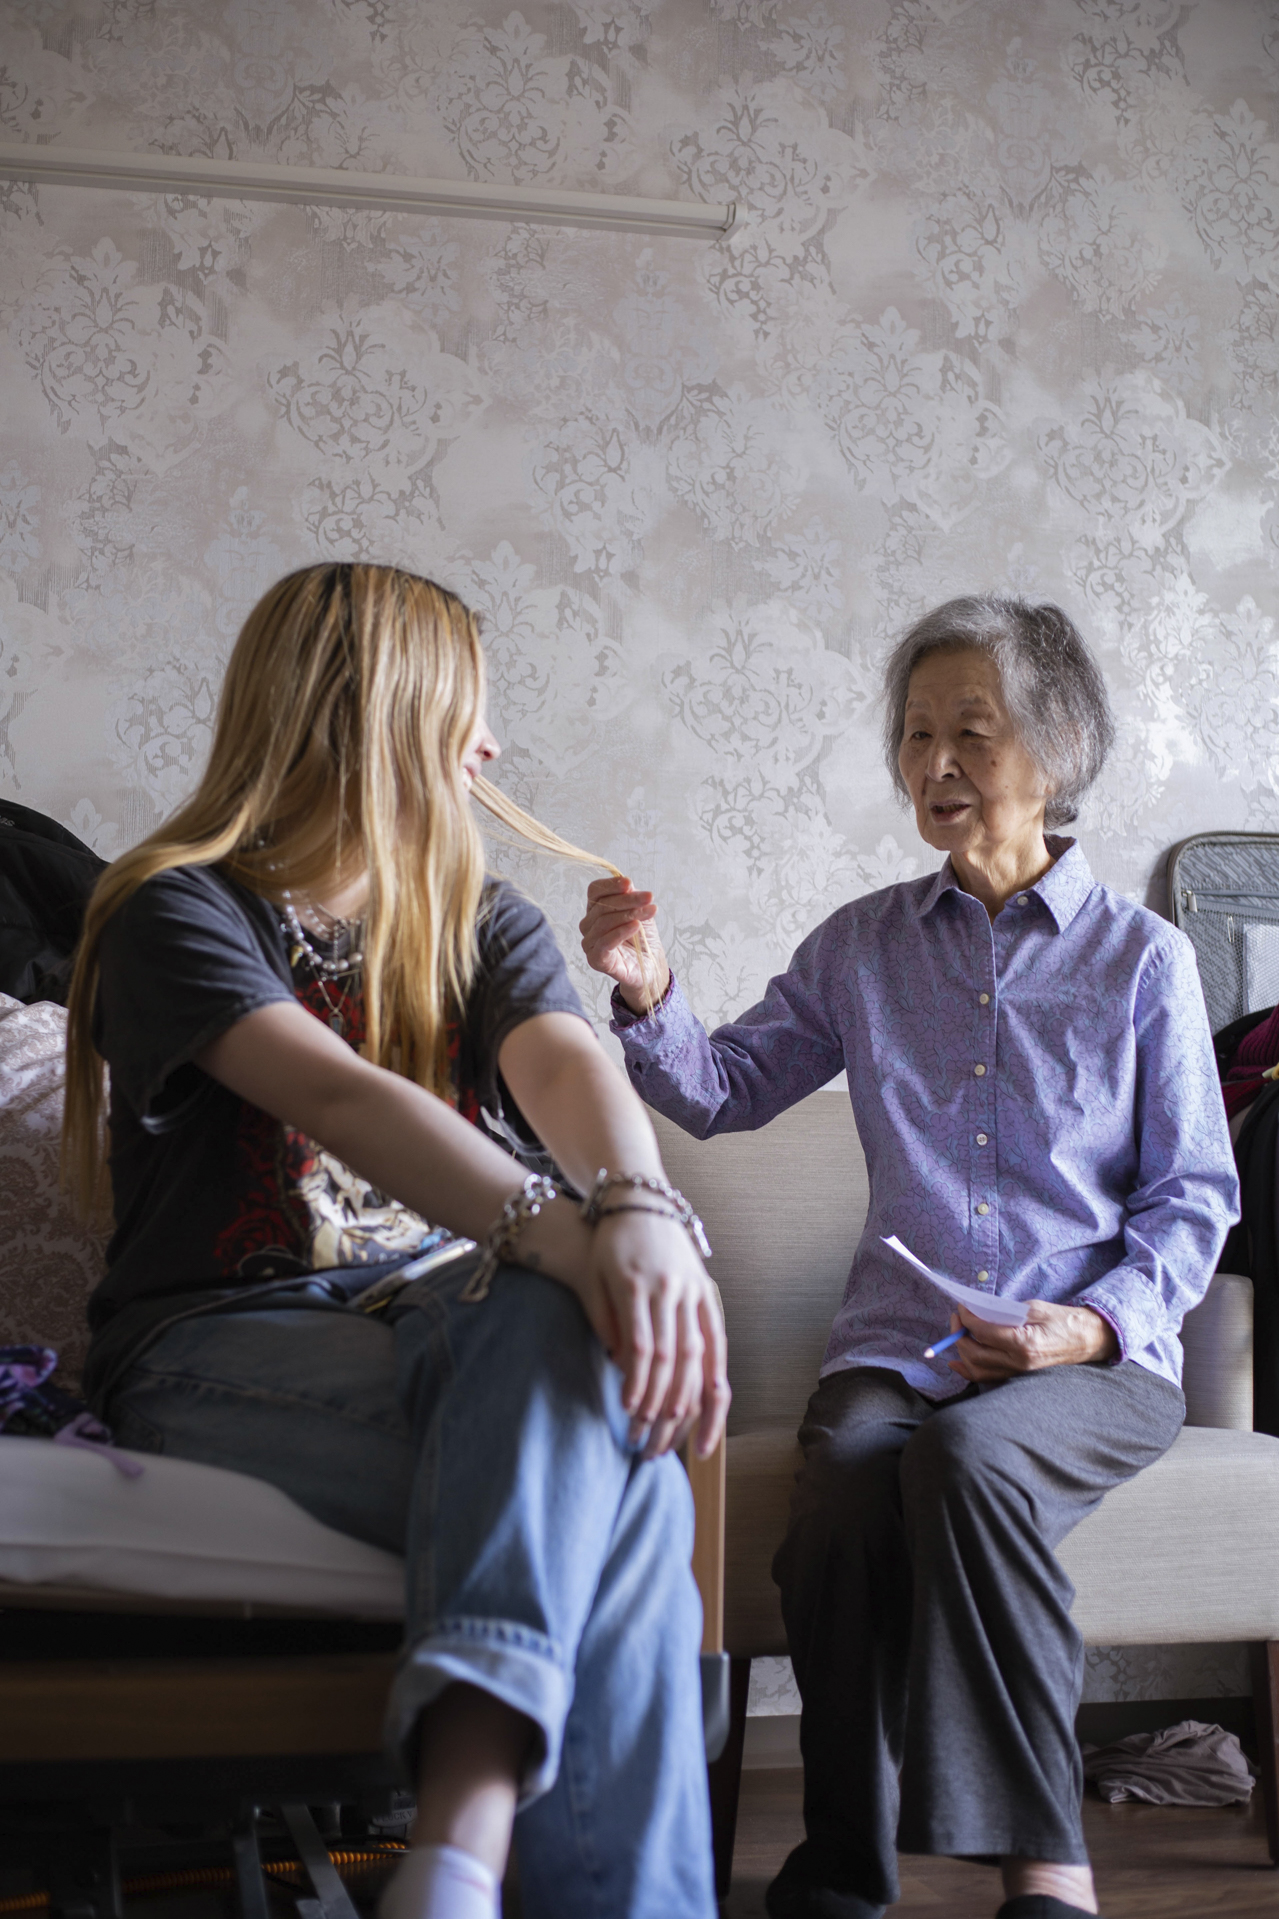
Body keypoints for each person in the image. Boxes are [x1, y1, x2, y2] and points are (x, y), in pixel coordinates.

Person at [63, 562, 729, 1919]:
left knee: (556, 1320)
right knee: (633, 1486)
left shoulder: (480, 916)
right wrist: (566, 1230)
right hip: (221, 1344)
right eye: (468, 709)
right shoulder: (172, 907)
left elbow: (566, 1067)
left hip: (455, 1322)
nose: (491, 747)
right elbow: (338, 1097)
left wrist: (640, 1211)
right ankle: (472, 1848)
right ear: (379, 715)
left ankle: (454, 1860)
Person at [580, 595, 1239, 1919]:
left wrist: (1084, 1326)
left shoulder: (1145, 961)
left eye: (971, 732)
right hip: (907, 1347)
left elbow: (1192, 1200)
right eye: (916, 732)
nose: (934, 762)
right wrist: (648, 989)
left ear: (1055, 750)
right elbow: (723, 1089)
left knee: (969, 1458)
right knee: (842, 1487)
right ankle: (846, 1862)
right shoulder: (862, 946)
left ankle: (1045, 1860)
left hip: (1096, 1360)